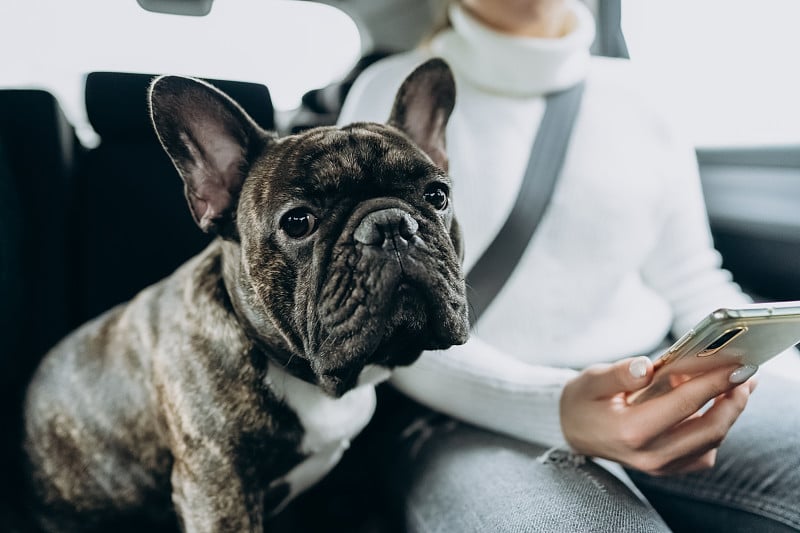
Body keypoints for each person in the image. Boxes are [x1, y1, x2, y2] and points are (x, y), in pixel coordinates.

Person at [332, 0, 800, 531]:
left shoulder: (642, 98)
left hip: (649, 377)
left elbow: (692, 280)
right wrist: (556, 408)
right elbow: (381, 318)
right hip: (461, 413)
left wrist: (772, 364)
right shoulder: (392, 91)